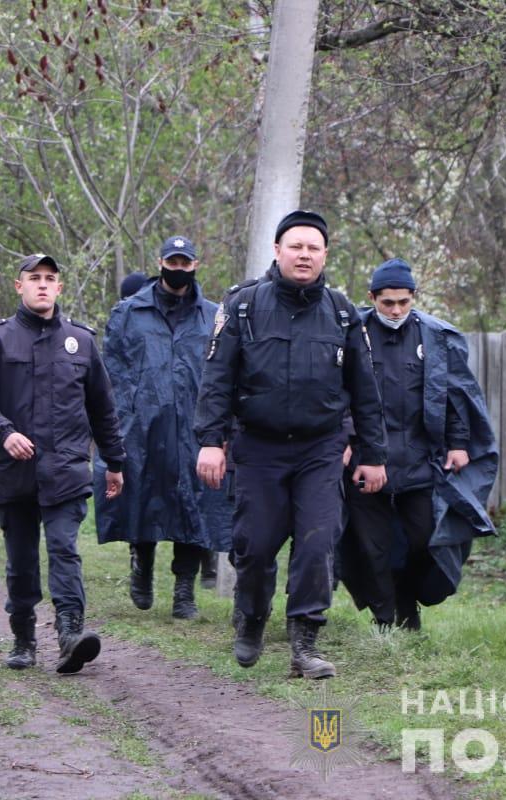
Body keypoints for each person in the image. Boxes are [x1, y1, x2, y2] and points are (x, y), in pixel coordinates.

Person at [193, 210, 388, 680]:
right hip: (258, 448)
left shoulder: (342, 312)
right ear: (277, 251)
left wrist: (373, 455)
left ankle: (305, 643)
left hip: (320, 449)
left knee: (318, 542)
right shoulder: (242, 307)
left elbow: (366, 390)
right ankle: (251, 618)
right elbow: (217, 379)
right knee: (255, 546)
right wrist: (210, 442)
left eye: (313, 248)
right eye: (295, 246)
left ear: (324, 256)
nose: (304, 254)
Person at [0, 253, 125, 675]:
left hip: (67, 469)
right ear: (19, 286)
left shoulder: (82, 342)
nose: (42, 285)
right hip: (15, 474)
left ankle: (71, 634)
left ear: (60, 288)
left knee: (64, 549)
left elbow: (102, 408)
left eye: (50, 279)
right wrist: (4, 431)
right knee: (21, 560)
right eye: (34, 278)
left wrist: (115, 461)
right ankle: (23, 636)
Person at [338, 258, 497, 630]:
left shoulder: (435, 338)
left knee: (426, 540)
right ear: (371, 297)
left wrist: (458, 443)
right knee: (372, 548)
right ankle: (386, 621)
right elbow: (336, 394)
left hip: (419, 465)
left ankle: (408, 600)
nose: (395, 310)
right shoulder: (351, 335)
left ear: (413, 298)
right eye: (387, 302)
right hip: (365, 463)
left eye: (403, 302)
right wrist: (345, 440)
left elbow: (456, 394)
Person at [94, 236, 232, 620]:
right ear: (160, 262)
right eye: (172, 260)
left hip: (195, 424)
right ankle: (142, 566)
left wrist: (220, 428)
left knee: (194, 503)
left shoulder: (213, 316)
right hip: (142, 423)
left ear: (195, 264)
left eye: (185, 262)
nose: (178, 267)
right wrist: (122, 420)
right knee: (142, 495)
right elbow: (113, 370)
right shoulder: (128, 312)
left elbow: (223, 372)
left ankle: (184, 590)